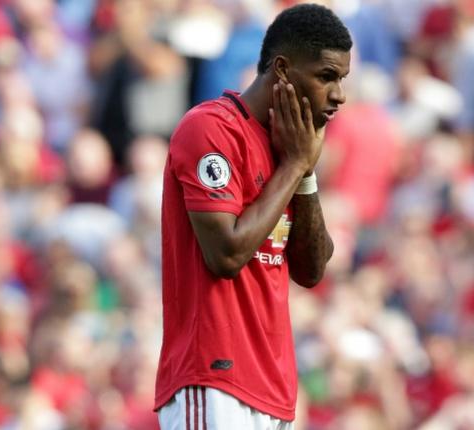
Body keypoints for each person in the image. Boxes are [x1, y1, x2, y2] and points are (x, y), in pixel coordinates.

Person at [154, 4, 351, 429]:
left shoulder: (290, 151)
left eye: (341, 80)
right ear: (282, 69)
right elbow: (225, 255)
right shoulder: (211, 129)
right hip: (213, 379)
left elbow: (312, 270)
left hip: (273, 389)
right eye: (326, 76)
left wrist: (304, 173)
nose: (339, 95)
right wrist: (294, 166)